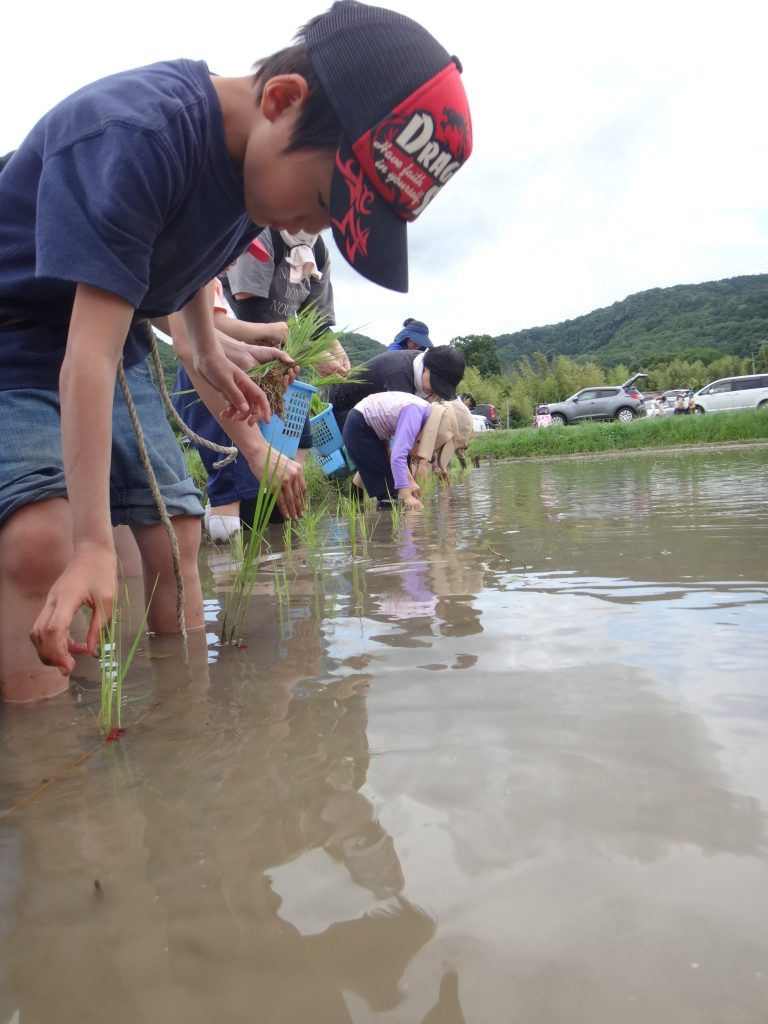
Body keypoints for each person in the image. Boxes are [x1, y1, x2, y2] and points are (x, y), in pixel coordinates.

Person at [0, 0, 474, 701]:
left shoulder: (250, 186)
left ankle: (182, 733)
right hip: (18, 328)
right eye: (321, 201)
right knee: (47, 540)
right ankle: (50, 774)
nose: (311, 227)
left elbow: (176, 277)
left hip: (114, 333)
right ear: (282, 100)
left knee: (177, 539)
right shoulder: (141, 135)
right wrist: (95, 544)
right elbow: (86, 355)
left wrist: (207, 350)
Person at [172, 228, 349, 542]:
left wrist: (323, 345)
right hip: (212, 379)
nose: (234, 269)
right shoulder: (200, 271)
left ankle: (275, 553)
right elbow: (194, 340)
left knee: (287, 451)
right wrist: (276, 333)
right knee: (231, 484)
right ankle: (231, 570)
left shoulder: (315, 251)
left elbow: (317, 321)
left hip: (259, 368)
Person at [342, 394, 472, 510]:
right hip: (361, 426)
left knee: (376, 474)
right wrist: (407, 495)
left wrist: (410, 481)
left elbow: (396, 453)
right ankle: (382, 532)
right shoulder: (415, 413)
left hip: (369, 429)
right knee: (389, 489)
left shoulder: (424, 411)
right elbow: (398, 456)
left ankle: (353, 510)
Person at [326, 345, 466, 430]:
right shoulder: (399, 374)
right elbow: (403, 427)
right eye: (434, 387)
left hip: (369, 411)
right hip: (342, 407)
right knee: (362, 464)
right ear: (427, 369)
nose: (434, 394)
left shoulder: (422, 362)